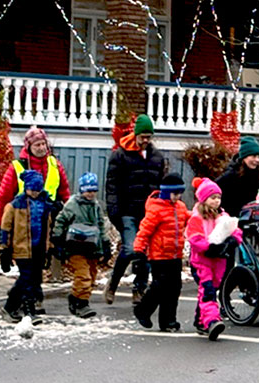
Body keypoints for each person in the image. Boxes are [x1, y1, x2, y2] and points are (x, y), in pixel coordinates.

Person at [104, 114, 167, 306]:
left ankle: (139, 289)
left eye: (149, 136)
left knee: (144, 252)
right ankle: (113, 283)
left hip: (148, 213)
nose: (146, 140)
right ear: (136, 134)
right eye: (143, 136)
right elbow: (112, 185)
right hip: (127, 211)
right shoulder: (120, 155)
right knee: (131, 248)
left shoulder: (157, 157)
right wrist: (114, 210)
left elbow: (161, 185)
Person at [0, 125, 70, 245]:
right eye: (37, 145)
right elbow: (2, 197)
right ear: (28, 147)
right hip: (24, 221)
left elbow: (65, 193)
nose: (42, 148)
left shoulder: (55, 164)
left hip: (50, 219)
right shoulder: (17, 167)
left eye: (44, 144)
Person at [186, 177, 243, 341]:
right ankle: (212, 321)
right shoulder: (197, 218)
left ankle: (200, 321)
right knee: (208, 291)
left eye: (218, 197)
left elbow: (235, 230)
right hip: (202, 261)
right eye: (213, 198)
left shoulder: (223, 215)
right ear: (204, 199)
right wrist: (209, 247)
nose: (216, 201)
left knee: (210, 289)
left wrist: (233, 240)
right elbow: (195, 238)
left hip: (219, 261)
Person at [132, 173, 190, 332]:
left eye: (180, 194)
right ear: (166, 192)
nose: (177, 197)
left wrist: (204, 215)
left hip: (175, 255)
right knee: (160, 286)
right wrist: (138, 250)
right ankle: (143, 310)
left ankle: (168, 321)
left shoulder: (180, 207)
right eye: (175, 193)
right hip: (159, 256)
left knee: (174, 289)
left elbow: (189, 219)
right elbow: (144, 231)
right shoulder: (156, 210)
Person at [51, 172, 111, 318]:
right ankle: (81, 303)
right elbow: (60, 221)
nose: (91, 194)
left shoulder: (96, 206)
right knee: (83, 276)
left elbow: (101, 225)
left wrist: (105, 243)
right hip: (75, 247)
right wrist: (57, 240)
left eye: (93, 191)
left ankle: (76, 297)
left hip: (91, 247)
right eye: (88, 191)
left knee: (91, 275)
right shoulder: (72, 205)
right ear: (82, 190)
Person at [0, 170, 54, 325]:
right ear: (26, 188)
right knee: (27, 278)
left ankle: (11, 307)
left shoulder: (45, 205)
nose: (35, 193)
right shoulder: (15, 205)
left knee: (34, 279)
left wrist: (49, 248)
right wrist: (4, 249)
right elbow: (6, 227)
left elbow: (48, 228)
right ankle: (29, 311)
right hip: (22, 248)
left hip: (38, 248)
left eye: (38, 190)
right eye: (32, 189)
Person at [216, 136, 259, 217]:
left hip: (246, 218)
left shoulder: (255, 174)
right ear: (244, 157)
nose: (257, 160)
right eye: (254, 156)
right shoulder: (230, 175)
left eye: (258, 156)